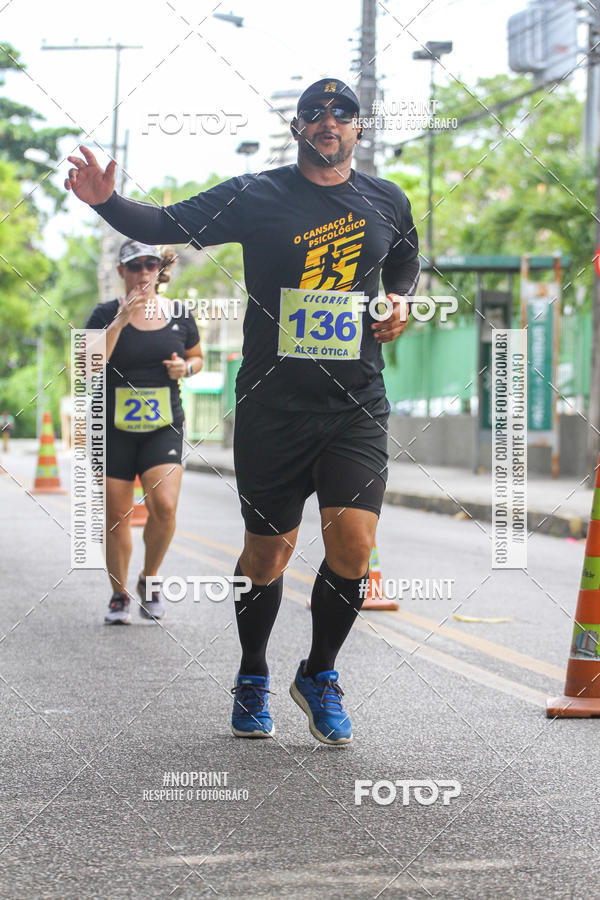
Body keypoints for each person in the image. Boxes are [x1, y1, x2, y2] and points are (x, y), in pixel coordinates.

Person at [65, 77, 420, 743]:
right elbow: (164, 223)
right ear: (298, 129)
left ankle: (319, 673)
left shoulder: (387, 199)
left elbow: (405, 257)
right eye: (313, 112)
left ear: (357, 128)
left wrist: (399, 301)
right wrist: (108, 202)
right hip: (271, 407)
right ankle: (254, 671)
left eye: (340, 112)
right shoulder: (258, 195)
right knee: (268, 554)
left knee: (355, 543)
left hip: (354, 405)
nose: (327, 121)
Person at [85, 241, 203, 625]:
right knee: (117, 514)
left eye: (150, 264)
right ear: (121, 271)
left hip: (162, 426)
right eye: (134, 265)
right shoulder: (104, 313)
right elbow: (88, 365)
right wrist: (120, 321)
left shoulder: (180, 314)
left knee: (165, 506)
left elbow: (196, 356)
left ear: (159, 270)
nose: (143, 273)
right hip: (114, 428)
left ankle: (149, 579)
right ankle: (118, 594)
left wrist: (185, 368)